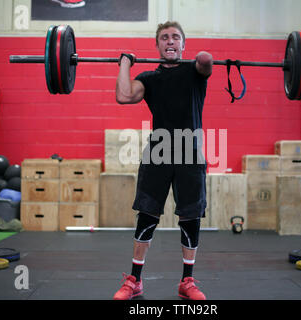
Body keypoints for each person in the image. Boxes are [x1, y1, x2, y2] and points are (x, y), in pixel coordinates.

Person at [113, 21, 213, 300]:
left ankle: (187, 282)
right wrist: (124, 62)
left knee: (190, 216)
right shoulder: (149, 78)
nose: (170, 41)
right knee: (147, 214)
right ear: (157, 46)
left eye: (176, 38)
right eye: (165, 38)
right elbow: (123, 96)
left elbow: (206, 62)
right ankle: (134, 280)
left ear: (183, 44)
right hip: (159, 152)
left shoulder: (195, 73)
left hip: (190, 153)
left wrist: (202, 58)